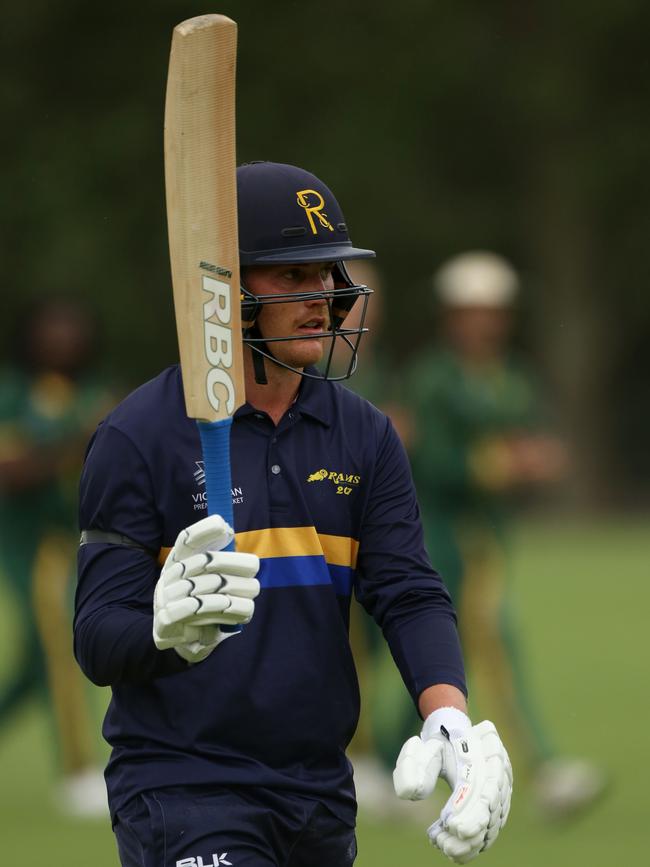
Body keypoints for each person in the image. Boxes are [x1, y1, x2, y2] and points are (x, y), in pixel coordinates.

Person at [74, 162, 512, 867]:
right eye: (293, 277)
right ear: (226, 288)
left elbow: (408, 592)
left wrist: (449, 716)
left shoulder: (364, 434)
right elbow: (96, 636)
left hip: (318, 793)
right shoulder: (139, 435)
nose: (325, 297)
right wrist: (164, 631)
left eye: (329, 275)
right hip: (184, 791)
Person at [406, 250, 606, 819]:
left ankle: (398, 761)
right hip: (439, 535)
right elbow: (435, 462)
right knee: (493, 646)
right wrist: (503, 463)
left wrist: (536, 459)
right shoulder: (435, 378)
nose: (483, 322)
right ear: (452, 315)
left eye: (492, 311)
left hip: (488, 538)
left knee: (444, 655)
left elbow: (533, 438)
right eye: (472, 311)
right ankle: (544, 768)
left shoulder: (511, 377)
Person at [0, 298, 113, 816]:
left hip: (81, 542)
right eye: (53, 327)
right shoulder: (14, 395)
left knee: (34, 670)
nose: (62, 338)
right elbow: (12, 471)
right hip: (32, 547)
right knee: (64, 653)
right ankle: (77, 772)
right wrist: (76, 441)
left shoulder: (93, 393)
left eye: (72, 327)